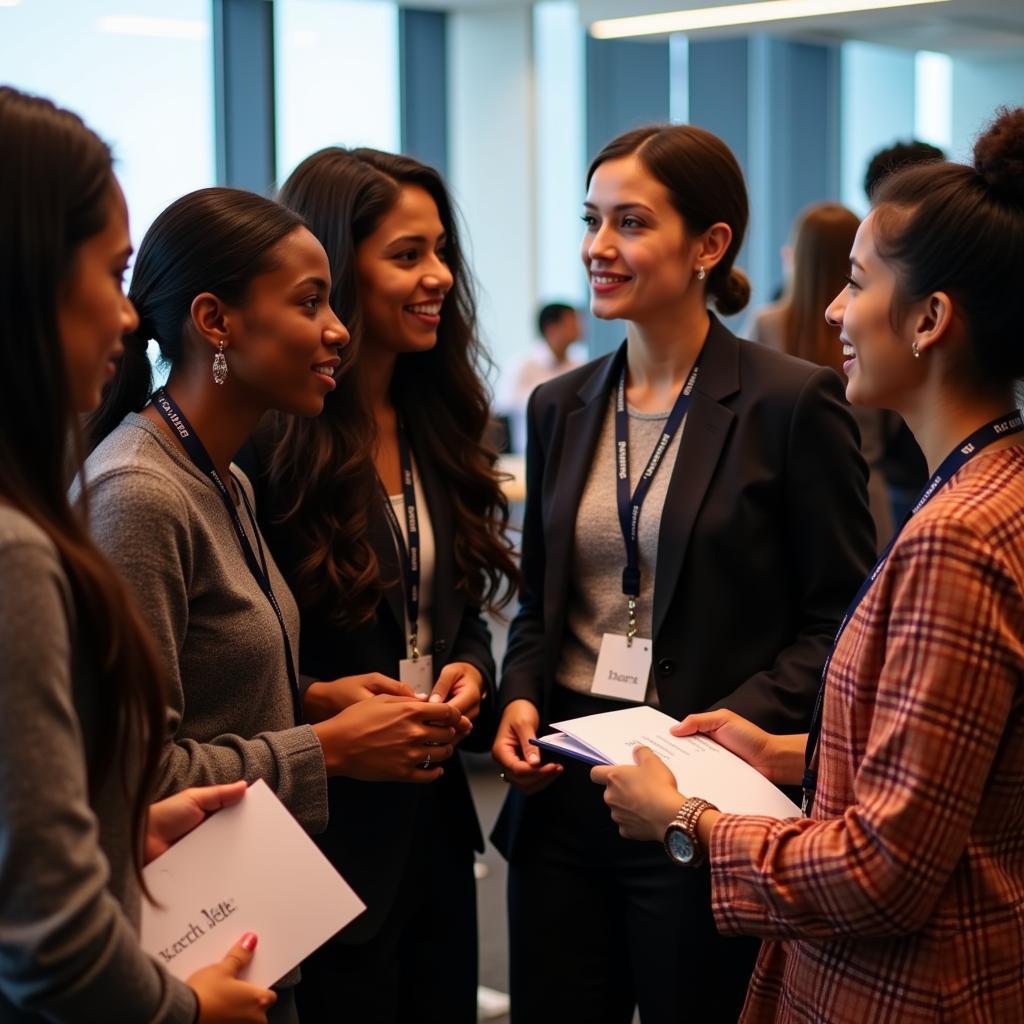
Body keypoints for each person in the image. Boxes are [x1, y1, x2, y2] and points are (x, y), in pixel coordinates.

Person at [593, 107, 1024, 1023]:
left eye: (858, 282)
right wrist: (795, 752)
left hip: (908, 990)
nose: (830, 307)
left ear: (931, 320)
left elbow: (886, 873)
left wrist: (689, 825)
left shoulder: (958, 538)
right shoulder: (996, 485)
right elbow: (958, 770)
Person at [490, 123, 876, 1024]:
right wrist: (519, 692)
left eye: (629, 223)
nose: (597, 248)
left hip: (698, 792)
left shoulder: (787, 402)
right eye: (591, 221)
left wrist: (732, 727)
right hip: (563, 781)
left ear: (709, 246)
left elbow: (840, 620)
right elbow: (544, 603)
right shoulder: (560, 405)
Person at [81, 186, 467, 1023]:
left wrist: (310, 698)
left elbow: (207, 693)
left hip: (248, 924)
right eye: (310, 303)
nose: (337, 330)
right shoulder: (139, 496)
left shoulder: (226, 479)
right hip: (181, 958)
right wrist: (323, 747)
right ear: (215, 322)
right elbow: (134, 780)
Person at [0, 85, 275, 1023]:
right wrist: (185, 1011)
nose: (128, 320)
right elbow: (56, 945)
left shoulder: (223, 481)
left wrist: (112, 837)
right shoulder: (31, 545)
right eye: (110, 272)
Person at [242, 145, 518, 1024]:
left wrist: (472, 665)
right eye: (407, 256)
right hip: (318, 833)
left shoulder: (442, 417)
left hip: (436, 821)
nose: (437, 275)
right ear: (332, 268)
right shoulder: (270, 444)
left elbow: (458, 603)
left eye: (441, 251)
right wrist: (321, 700)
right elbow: (230, 658)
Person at [751, 202, 894, 546]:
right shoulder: (877, 331)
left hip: (782, 498)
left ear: (796, 255)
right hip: (868, 493)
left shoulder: (768, 325)